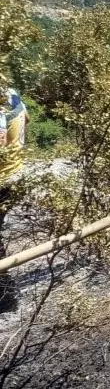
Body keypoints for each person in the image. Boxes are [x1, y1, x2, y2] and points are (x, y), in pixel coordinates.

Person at [0, 88, 29, 312]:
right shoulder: (12, 94)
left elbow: (1, 141)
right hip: (16, 173)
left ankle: (6, 297)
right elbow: (26, 119)